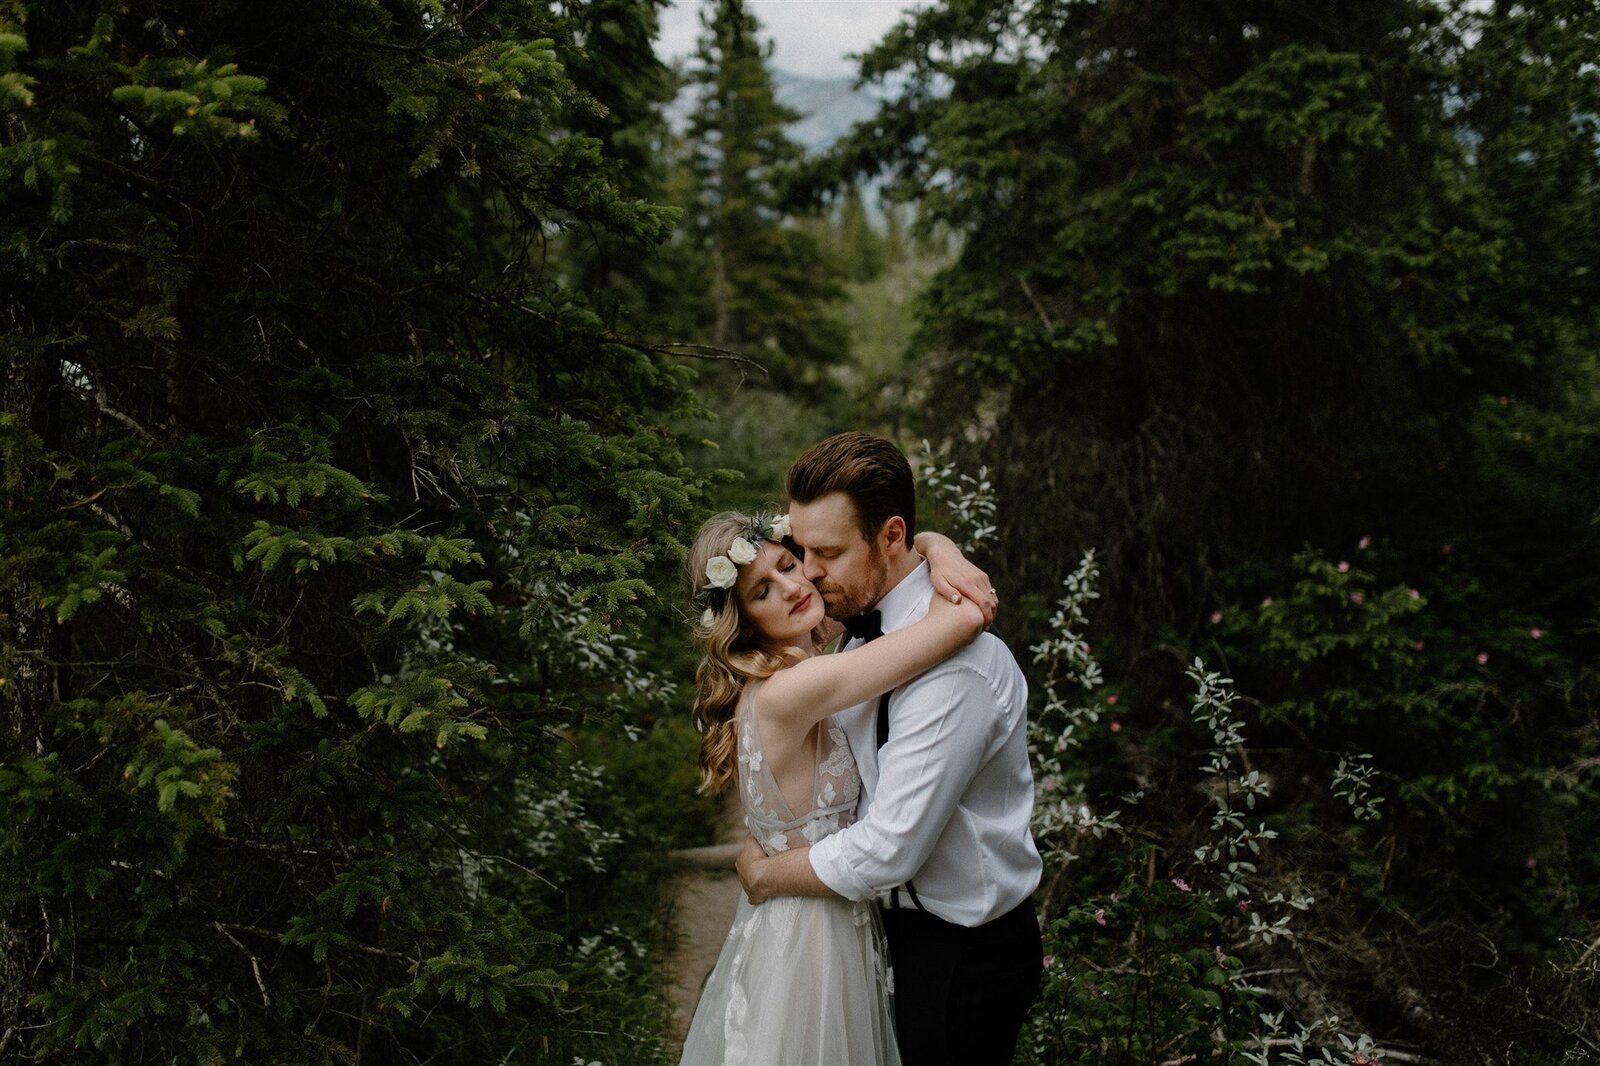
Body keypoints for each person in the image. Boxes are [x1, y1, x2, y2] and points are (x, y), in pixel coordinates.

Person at [736, 432, 1045, 1066]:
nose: (810, 573)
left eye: (828, 552)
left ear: (893, 536)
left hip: (962, 952)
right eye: (801, 551)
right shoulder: (851, 632)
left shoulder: (954, 671)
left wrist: (769, 872)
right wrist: (940, 546)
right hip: (883, 935)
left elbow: (889, 850)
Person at [677, 509, 993, 1065]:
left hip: (809, 915)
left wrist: (934, 543)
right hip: (813, 936)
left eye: (789, 564)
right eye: (762, 592)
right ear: (744, 622)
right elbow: (959, 621)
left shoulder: (795, 673)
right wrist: (945, 554)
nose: (794, 587)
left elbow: (892, 551)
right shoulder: (792, 690)